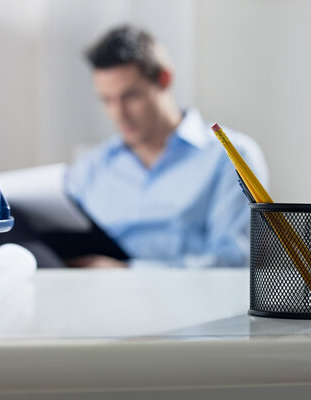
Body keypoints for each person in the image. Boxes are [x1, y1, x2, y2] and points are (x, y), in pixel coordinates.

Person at [64, 24, 268, 269]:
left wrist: (127, 273)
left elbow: (234, 259)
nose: (119, 114)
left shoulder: (230, 157)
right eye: (107, 100)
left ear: (164, 80)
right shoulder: (90, 167)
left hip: (193, 303)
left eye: (131, 96)